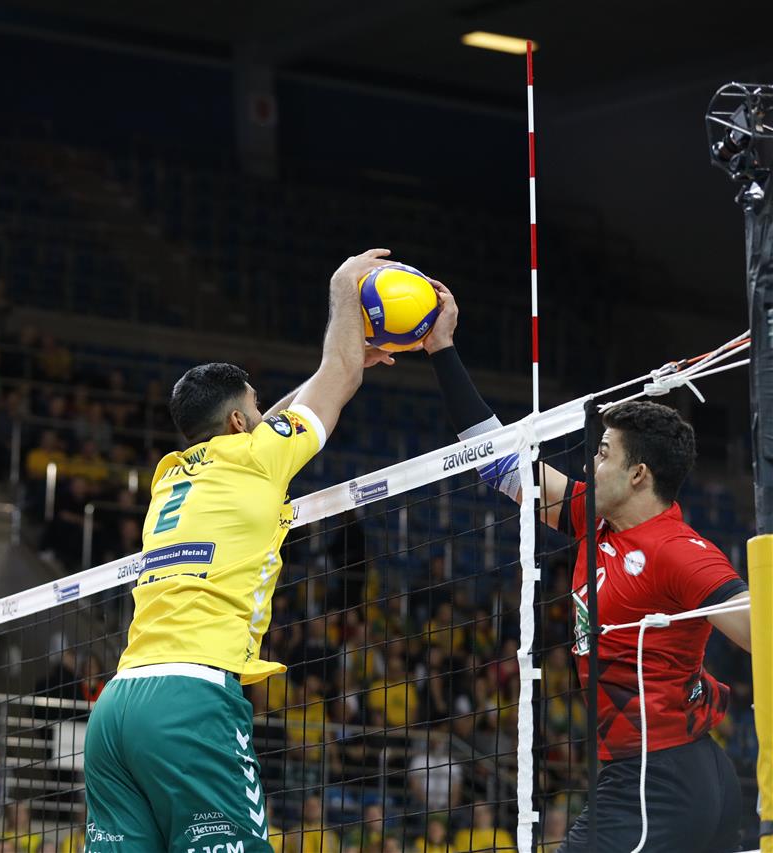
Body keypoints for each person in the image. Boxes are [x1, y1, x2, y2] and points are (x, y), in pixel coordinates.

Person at [83, 250, 396, 850]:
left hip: (116, 708)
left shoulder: (170, 474)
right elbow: (339, 375)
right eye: (254, 408)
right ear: (236, 422)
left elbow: (266, 426)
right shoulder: (256, 458)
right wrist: (343, 288)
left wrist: (328, 370)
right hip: (191, 703)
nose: (262, 416)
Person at [424, 283, 752, 852]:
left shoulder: (677, 550)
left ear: (638, 475)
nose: (589, 464)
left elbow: (756, 630)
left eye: (603, 454)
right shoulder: (593, 520)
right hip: (659, 771)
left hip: (659, 777)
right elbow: (500, 466)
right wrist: (441, 348)